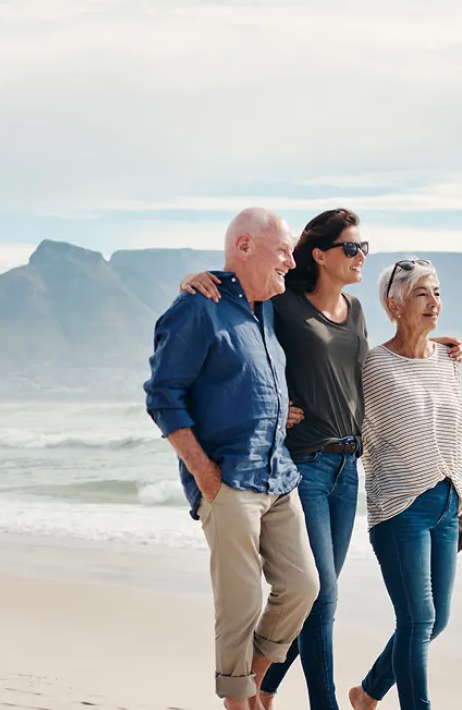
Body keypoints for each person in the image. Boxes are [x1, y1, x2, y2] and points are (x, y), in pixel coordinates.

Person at [179, 210, 461, 710]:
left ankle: (263, 689)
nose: (361, 256)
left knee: (314, 597)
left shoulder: (354, 311)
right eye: (352, 248)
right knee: (322, 596)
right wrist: (195, 280)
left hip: (346, 469)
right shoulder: (282, 304)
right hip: (302, 464)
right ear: (321, 254)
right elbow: (238, 323)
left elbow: (372, 367)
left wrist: (427, 343)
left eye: (364, 248)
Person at [144, 207, 320, 710]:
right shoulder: (198, 307)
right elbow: (163, 396)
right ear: (244, 246)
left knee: (303, 587)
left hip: (277, 475)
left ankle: (254, 683)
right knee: (240, 604)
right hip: (228, 480)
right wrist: (204, 473)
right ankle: (238, 702)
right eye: (283, 249)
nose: (291, 259)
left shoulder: (267, 304)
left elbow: (337, 312)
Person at [349, 258, 462, 710]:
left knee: (434, 622)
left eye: (437, 292)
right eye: (421, 293)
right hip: (399, 505)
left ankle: (366, 694)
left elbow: (451, 432)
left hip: (445, 503)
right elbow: (333, 392)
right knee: (417, 619)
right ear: (393, 304)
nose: (434, 302)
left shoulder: (448, 360)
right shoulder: (373, 365)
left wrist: (461, 495)